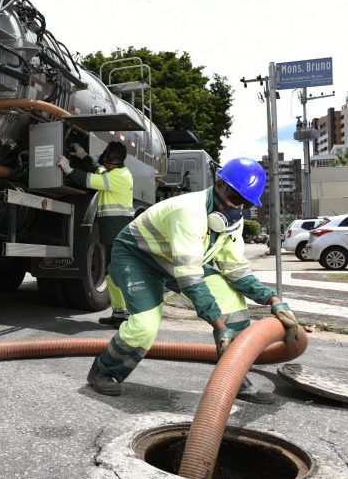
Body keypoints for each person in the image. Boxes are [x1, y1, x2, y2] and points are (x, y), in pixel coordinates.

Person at [85, 157, 299, 404]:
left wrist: (272, 299)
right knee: (144, 327)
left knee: (232, 302)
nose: (238, 208)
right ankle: (104, 371)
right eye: (235, 198)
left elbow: (235, 268)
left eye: (245, 203)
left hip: (179, 261)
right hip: (139, 258)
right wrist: (219, 327)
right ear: (219, 185)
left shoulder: (231, 223)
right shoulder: (189, 212)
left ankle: (234, 376)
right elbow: (189, 276)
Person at [58, 141, 134, 327]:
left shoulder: (120, 177)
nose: (105, 161)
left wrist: (69, 170)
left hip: (117, 230)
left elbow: (90, 179)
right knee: (110, 272)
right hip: (112, 230)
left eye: (108, 158)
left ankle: (125, 315)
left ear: (115, 160)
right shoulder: (114, 172)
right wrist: (83, 155)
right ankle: (118, 313)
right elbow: (97, 169)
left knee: (116, 273)